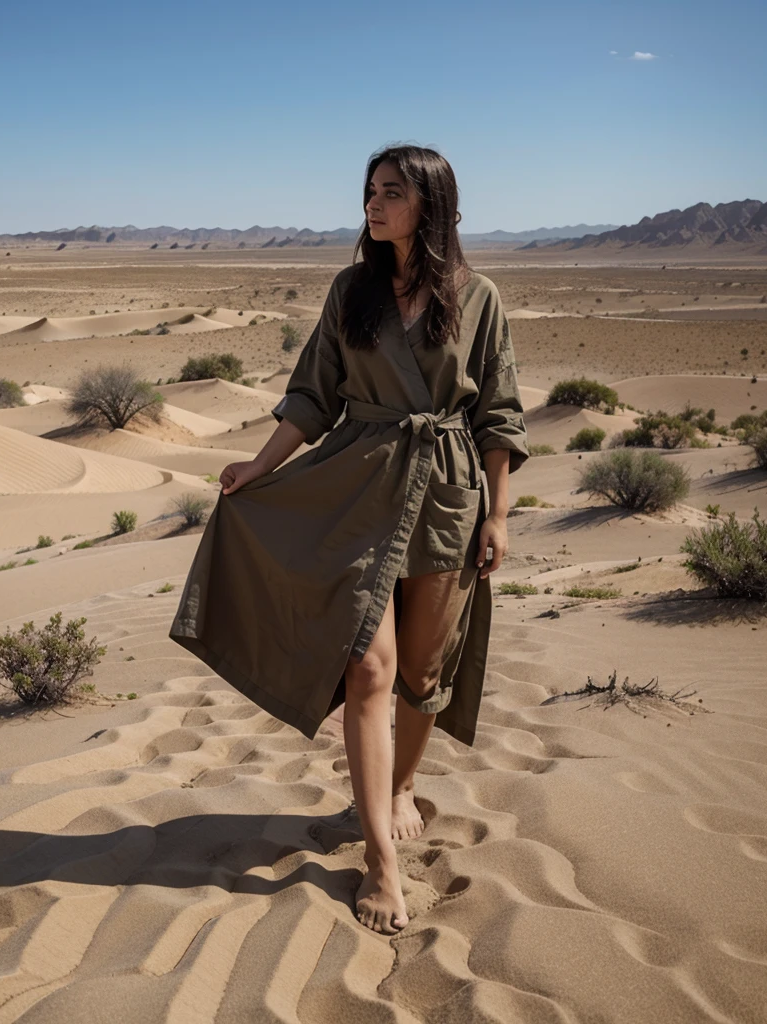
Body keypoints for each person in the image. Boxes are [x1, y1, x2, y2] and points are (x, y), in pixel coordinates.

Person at [169, 143, 529, 935]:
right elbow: (312, 394)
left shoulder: (479, 296)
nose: (374, 204)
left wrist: (497, 515)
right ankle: (379, 862)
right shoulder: (350, 289)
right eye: (370, 191)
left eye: (392, 193)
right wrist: (258, 467)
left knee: (424, 675)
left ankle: (402, 785)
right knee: (369, 668)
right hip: (355, 488)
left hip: (444, 493)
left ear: (429, 205)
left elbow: (498, 415)